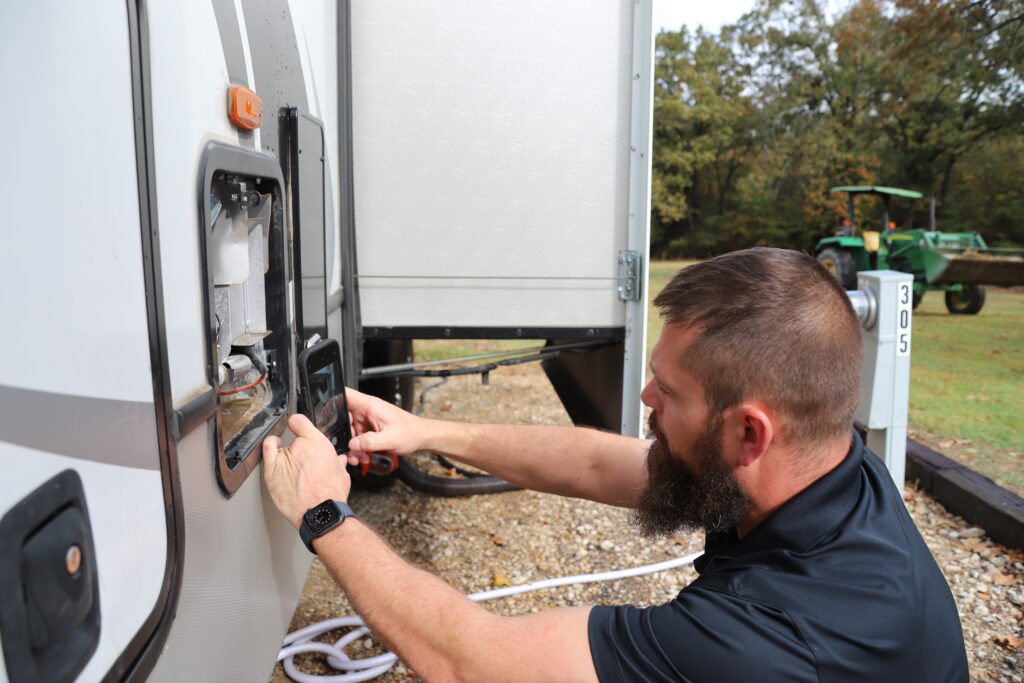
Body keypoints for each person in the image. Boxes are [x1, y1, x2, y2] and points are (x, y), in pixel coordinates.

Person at [262, 247, 968, 682]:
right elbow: (607, 464)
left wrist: (326, 513)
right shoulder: (837, 472)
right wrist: (425, 430)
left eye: (672, 390)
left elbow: (467, 659)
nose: (646, 396)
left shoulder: (765, 641)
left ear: (750, 433)